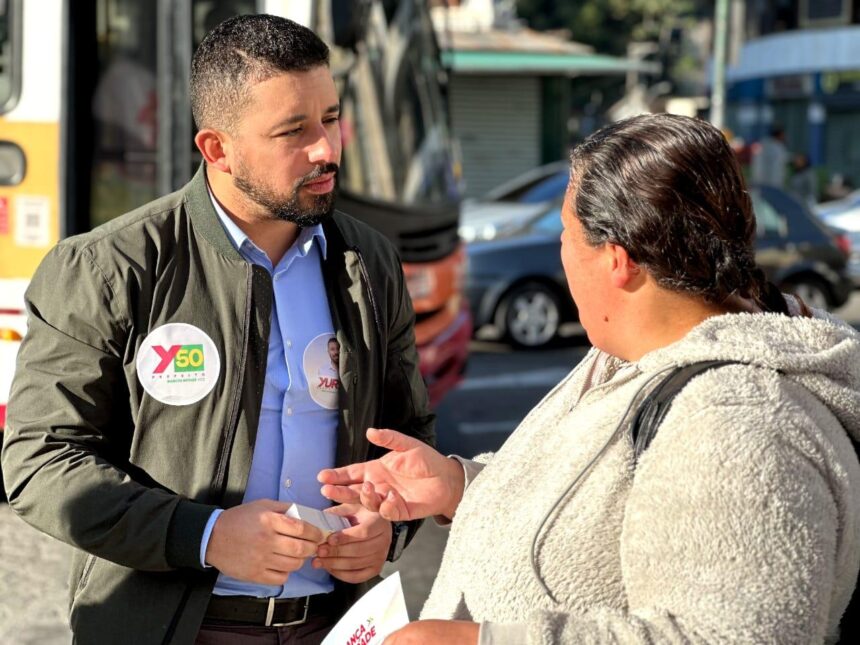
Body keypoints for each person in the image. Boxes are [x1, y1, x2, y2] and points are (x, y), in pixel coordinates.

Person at [320, 114, 860, 644]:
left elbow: (739, 635)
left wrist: (480, 642)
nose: (560, 251)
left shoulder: (742, 423)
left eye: (565, 233)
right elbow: (595, 508)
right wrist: (458, 486)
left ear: (618, 261)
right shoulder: (640, 354)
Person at [1, 14, 434, 645]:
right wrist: (204, 536)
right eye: (294, 131)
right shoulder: (106, 268)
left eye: (332, 119)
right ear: (217, 149)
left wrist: (388, 529)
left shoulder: (368, 262)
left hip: (339, 627)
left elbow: (408, 435)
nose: (327, 150)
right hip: (175, 630)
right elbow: (39, 459)